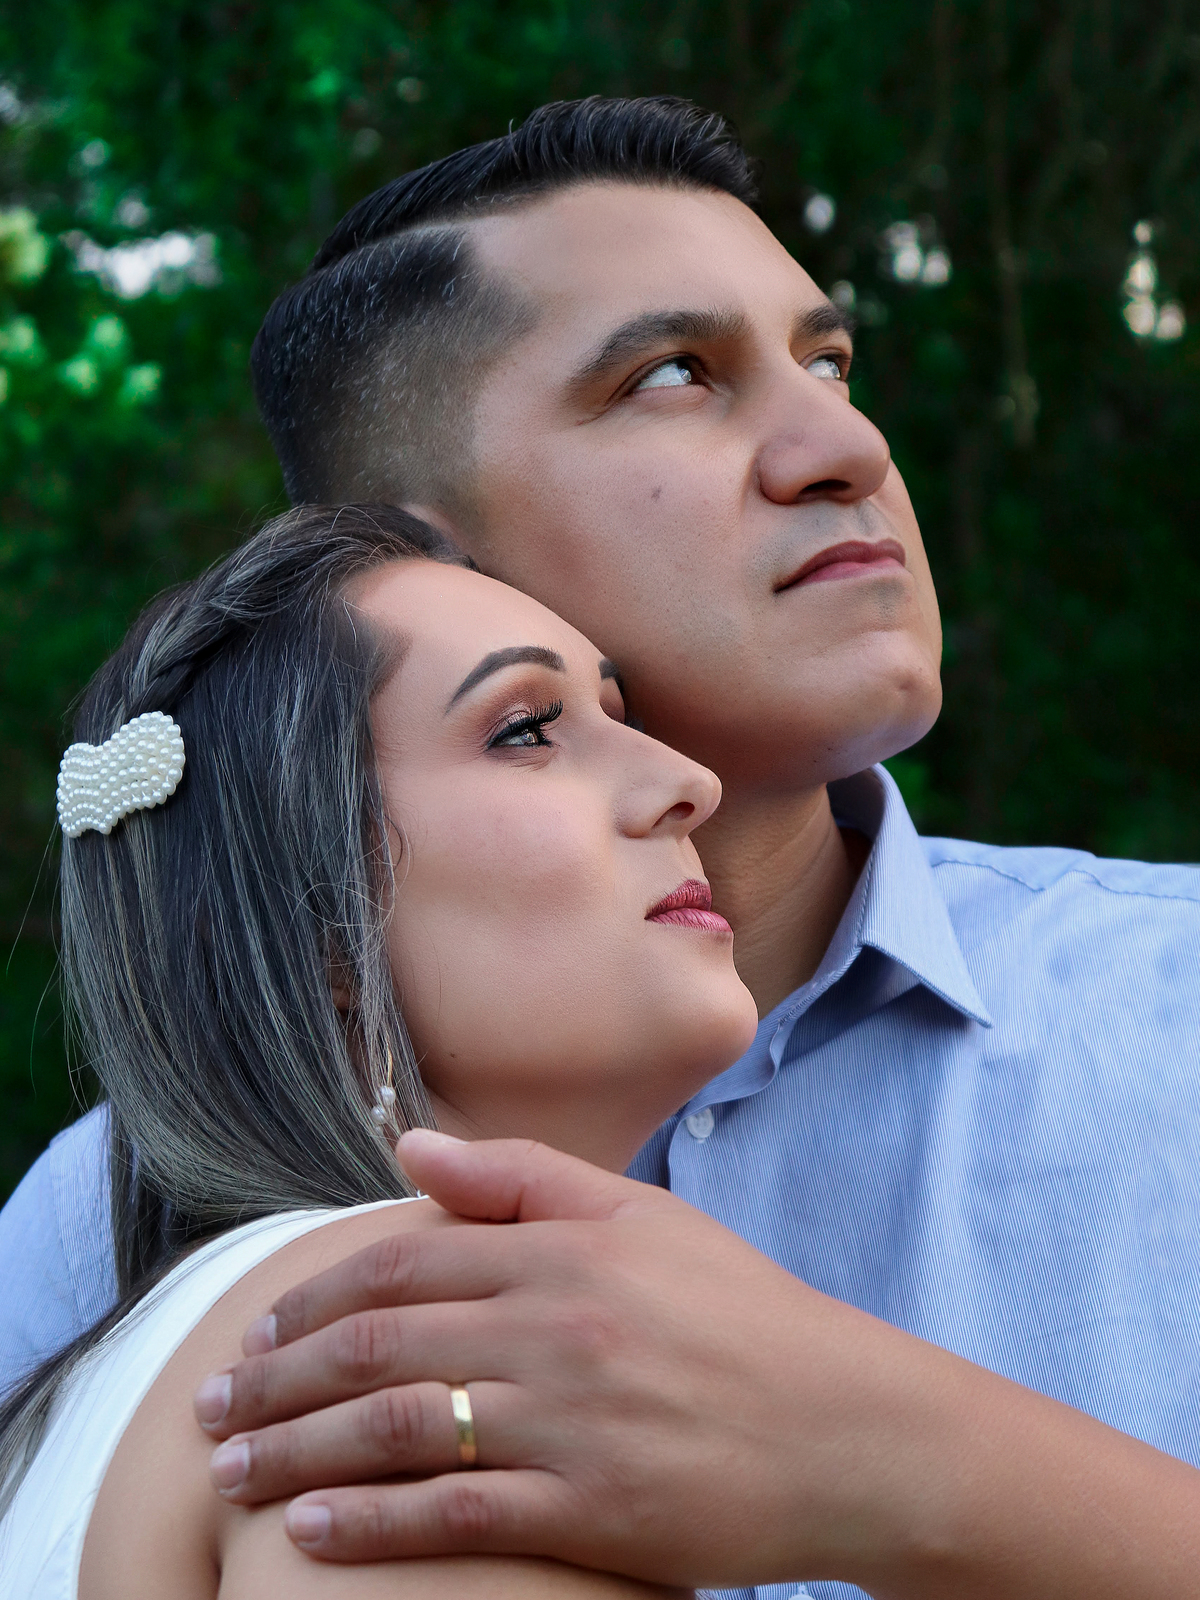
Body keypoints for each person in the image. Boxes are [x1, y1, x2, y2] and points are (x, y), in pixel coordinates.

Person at [2, 96, 1199, 1599]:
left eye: (831, 364)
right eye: (674, 374)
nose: (846, 446)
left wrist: (903, 1461)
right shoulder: (103, 1221)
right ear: (412, 557)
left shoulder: (1173, 1009)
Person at [0, 500, 754, 1597]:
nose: (690, 780)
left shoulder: (102, 1396)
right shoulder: (410, 1348)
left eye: (619, 712)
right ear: (315, 931)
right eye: (526, 728)